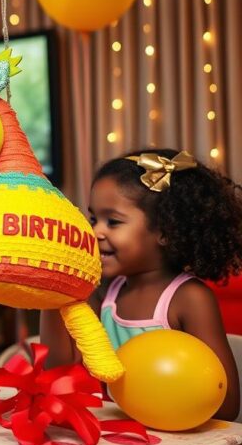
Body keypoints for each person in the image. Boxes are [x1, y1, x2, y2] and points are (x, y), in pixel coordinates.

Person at [41, 149, 242, 420]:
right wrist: (52, 293)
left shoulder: (189, 299)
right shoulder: (103, 293)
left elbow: (227, 406)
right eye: (93, 219)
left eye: (113, 221)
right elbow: (58, 372)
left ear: (165, 232)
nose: (96, 231)